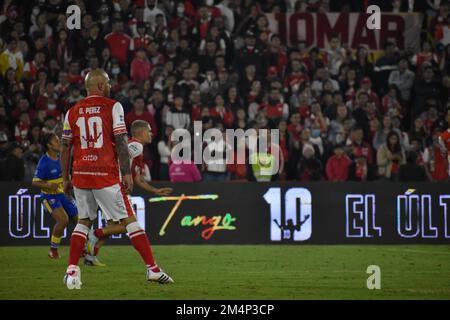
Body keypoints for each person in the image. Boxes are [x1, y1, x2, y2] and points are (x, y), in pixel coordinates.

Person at [61, 69, 173, 289]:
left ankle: (72, 272)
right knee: (130, 221)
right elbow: (121, 140)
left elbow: (65, 147)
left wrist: (66, 178)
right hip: (105, 174)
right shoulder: (113, 106)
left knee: (83, 221)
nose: (111, 86)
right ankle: (153, 269)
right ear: (101, 85)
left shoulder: (71, 111)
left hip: (81, 174)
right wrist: (127, 172)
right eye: (109, 82)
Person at [86, 120, 172, 261]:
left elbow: (138, 178)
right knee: (130, 225)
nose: (151, 133)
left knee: (112, 225)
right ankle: (94, 234)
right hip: (114, 186)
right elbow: (120, 156)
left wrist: (155, 191)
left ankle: (91, 255)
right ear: (140, 132)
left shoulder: (137, 149)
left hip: (108, 185)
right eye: (149, 130)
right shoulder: (136, 146)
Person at [31, 133, 78, 259]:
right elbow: (35, 181)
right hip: (50, 197)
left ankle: (82, 249)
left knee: (80, 221)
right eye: (56, 141)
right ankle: (53, 250)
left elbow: (67, 175)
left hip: (64, 194)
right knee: (63, 220)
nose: (59, 143)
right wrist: (48, 185)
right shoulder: (44, 162)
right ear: (49, 145)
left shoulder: (62, 157)